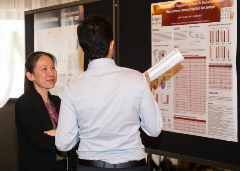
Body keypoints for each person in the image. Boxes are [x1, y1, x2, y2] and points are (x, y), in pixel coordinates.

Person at [55, 14, 163, 171]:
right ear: (112, 45)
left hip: (90, 167)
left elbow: (63, 143)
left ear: (83, 49)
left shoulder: (73, 87)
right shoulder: (137, 79)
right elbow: (154, 130)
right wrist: (149, 89)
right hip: (132, 166)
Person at [15, 52, 71, 171]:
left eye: (52, 68)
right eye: (44, 69)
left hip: (62, 165)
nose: (51, 73)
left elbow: (73, 130)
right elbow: (40, 141)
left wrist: (55, 132)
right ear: (30, 76)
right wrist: (64, 135)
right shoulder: (24, 103)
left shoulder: (57, 101)